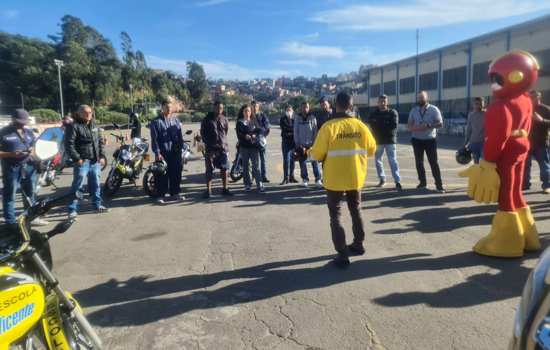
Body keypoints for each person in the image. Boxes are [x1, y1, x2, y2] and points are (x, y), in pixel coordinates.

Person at [459, 50, 541, 257]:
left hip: (506, 153)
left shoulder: (500, 106)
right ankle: (528, 236)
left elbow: (497, 138)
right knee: (516, 193)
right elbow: (528, 126)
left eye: (497, 78)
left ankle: (506, 243)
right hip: (521, 148)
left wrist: (487, 163)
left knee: (506, 195)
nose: (493, 83)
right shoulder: (525, 99)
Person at [310, 92, 377, 268]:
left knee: (336, 215)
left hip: (334, 178)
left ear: (335, 104)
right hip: (355, 176)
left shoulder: (328, 127)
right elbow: (371, 150)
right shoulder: (361, 126)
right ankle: (358, 244)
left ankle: (342, 254)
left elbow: (316, 155)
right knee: (356, 209)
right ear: (351, 105)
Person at [0, 109, 48, 232]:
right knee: (10, 195)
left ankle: (31, 218)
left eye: (24, 121)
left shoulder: (28, 132)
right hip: (11, 168)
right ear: (12, 119)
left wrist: (34, 155)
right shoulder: (3, 133)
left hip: (29, 166)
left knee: (30, 193)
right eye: (19, 121)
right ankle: (10, 222)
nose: (22, 124)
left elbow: (33, 147)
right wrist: (10, 154)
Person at [65, 105, 108, 218]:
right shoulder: (73, 126)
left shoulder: (94, 125)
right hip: (82, 161)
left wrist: (102, 156)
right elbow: (69, 145)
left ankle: (97, 205)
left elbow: (99, 142)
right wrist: (77, 158)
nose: (88, 114)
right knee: (77, 185)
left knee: (96, 184)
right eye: (85, 112)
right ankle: (72, 209)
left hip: (95, 161)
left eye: (90, 112)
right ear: (79, 113)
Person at [408, 91, 445, 192]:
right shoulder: (414, 110)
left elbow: (440, 124)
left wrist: (428, 126)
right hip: (416, 140)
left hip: (430, 140)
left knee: (433, 162)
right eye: (419, 98)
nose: (420, 100)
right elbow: (409, 126)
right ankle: (422, 183)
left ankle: (439, 185)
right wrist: (416, 128)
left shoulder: (434, 109)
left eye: (422, 98)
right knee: (419, 163)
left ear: (426, 98)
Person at [150, 96, 184, 204]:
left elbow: (180, 137)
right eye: (166, 107)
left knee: (176, 173)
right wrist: (157, 153)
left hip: (175, 152)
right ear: (162, 108)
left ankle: (175, 193)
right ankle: (160, 195)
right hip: (163, 153)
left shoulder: (176, 121)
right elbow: (154, 139)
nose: (169, 109)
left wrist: (180, 150)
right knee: (161, 174)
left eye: (170, 107)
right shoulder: (156, 122)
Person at [367, 95, 402, 190]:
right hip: (378, 141)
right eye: (380, 101)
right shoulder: (373, 114)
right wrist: (383, 124)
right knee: (378, 160)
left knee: (393, 160)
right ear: (377, 102)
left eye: (384, 101)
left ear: (387, 102)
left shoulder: (392, 112)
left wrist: (378, 125)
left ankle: (397, 181)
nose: (382, 103)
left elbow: (393, 126)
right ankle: (382, 179)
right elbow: (371, 126)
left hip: (390, 141)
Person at [200, 101, 232, 198]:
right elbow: (203, 133)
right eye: (218, 108)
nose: (219, 110)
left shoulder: (224, 119)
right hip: (211, 149)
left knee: (224, 169)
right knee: (209, 170)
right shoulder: (206, 119)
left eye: (221, 108)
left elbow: (225, 132)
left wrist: (221, 143)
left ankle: (225, 189)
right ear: (214, 108)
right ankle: (208, 191)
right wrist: (209, 144)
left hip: (222, 148)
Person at [524, 90, 550, 193]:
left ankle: (547, 185)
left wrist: (542, 120)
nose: (532, 99)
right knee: (525, 166)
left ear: (539, 97)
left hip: (541, 142)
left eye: (534, 97)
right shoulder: (527, 109)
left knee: (544, 165)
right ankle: (525, 184)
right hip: (527, 143)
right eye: (530, 97)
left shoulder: (546, 109)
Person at [236, 104, 264, 192]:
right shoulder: (240, 122)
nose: (247, 113)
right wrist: (245, 136)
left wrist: (256, 134)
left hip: (254, 146)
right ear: (242, 112)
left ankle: (259, 184)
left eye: (248, 111)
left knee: (256, 166)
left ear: (251, 112)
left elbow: (260, 130)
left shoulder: (254, 121)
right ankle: (247, 184)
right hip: (244, 147)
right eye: (245, 111)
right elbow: (239, 134)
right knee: (245, 166)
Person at [294, 101, 322, 187]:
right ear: (301, 108)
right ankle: (305, 179)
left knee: (315, 162)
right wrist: (298, 144)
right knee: (302, 163)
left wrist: (314, 144)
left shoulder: (313, 117)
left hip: (312, 145)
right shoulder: (297, 118)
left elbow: (315, 131)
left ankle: (318, 180)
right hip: (302, 145)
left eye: (306, 107)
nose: (305, 109)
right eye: (303, 107)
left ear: (309, 108)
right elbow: (296, 131)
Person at [252, 101, 270, 183]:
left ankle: (264, 176)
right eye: (253, 106)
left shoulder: (262, 115)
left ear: (258, 107)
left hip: (262, 140)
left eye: (256, 106)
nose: (255, 108)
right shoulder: (249, 116)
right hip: (252, 140)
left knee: (263, 160)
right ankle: (253, 177)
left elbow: (267, 127)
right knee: (254, 161)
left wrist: (261, 134)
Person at [464, 97, 486, 164]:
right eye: (476, 104)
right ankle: (478, 174)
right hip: (473, 143)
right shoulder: (471, 115)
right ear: (473, 104)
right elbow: (469, 130)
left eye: (480, 104)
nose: (478, 105)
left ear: (483, 104)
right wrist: (465, 143)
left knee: (484, 163)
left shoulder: (487, 114)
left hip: (484, 143)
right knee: (476, 164)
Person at [279, 105, 298, 185]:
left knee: (293, 160)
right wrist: (292, 130)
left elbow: (296, 128)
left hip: (293, 142)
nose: (289, 111)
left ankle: (292, 177)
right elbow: (284, 128)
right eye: (287, 110)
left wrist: (291, 130)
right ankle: (285, 178)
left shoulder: (295, 118)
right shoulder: (282, 119)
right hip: (285, 142)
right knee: (286, 160)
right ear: (285, 111)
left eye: (290, 110)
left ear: (292, 110)